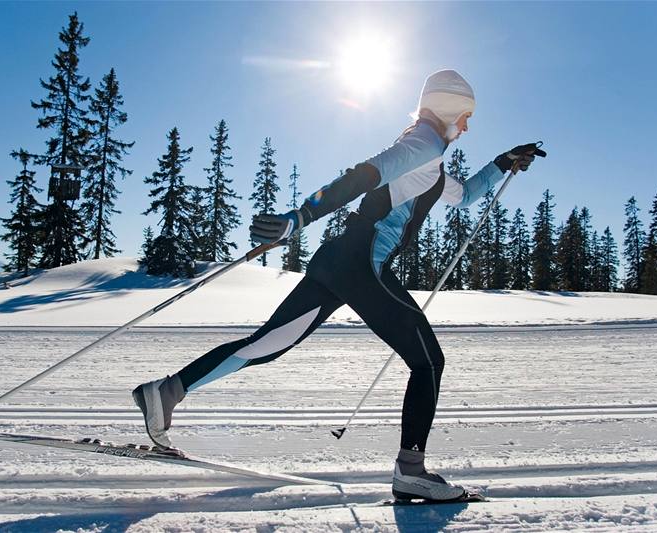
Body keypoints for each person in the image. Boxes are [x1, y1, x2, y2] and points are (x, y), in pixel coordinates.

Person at [133, 69, 544, 501]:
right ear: (449, 109)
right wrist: (299, 218)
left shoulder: (430, 157)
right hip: (362, 263)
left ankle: (167, 391)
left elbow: (463, 195)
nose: (467, 126)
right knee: (428, 363)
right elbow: (363, 176)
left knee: (266, 345)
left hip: (339, 261)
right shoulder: (422, 143)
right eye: (466, 115)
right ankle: (412, 470)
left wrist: (503, 164)